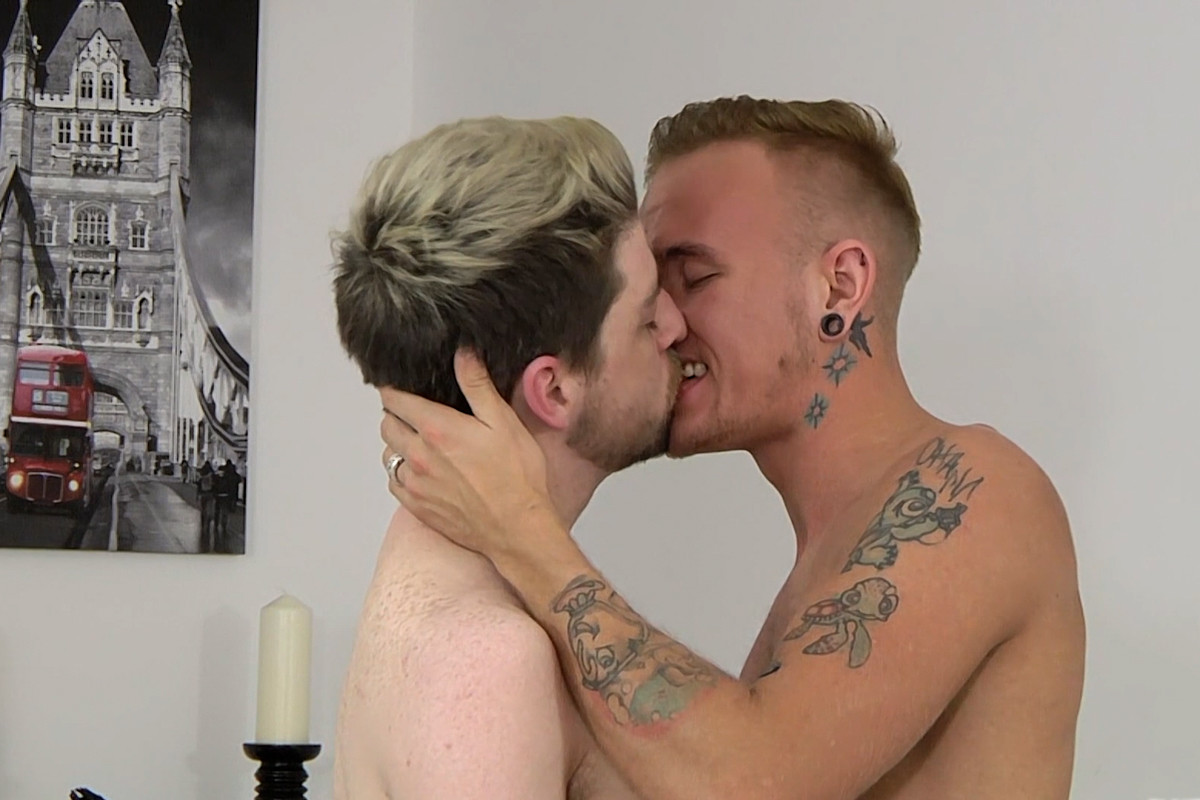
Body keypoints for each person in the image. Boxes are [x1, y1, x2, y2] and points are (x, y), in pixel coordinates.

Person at [378, 96, 1086, 799]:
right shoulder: (832, 549)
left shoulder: (977, 493)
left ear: (838, 287)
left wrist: (519, 529)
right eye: (651, 287)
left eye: (695, 277)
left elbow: (754, 784)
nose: (664, 321)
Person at [330, 115, 686, 799]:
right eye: (646, 316)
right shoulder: (486, 661)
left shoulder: (431, 570)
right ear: (553, 390)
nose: (675, 325)